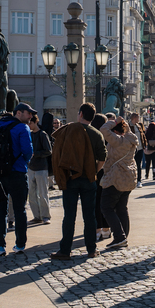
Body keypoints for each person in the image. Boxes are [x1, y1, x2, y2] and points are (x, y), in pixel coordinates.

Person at [50, 103, 107, 260]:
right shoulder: (96, 134)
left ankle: (65, 250)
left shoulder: (68, 130)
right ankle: (91, 249)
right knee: (89, 216)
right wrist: (94, 171)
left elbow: (58, 153)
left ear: (80, 114)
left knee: (69, 216)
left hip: (70, 178)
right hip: (88, 178)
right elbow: (103, 157)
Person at [0, 102, 35, 257]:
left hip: (0, 174)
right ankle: (20, 244)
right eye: (28, 113)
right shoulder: (23, 128)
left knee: (0, 211)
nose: (31, 116)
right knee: (19, 210)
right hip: (17, 173)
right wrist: (23, 162)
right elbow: (28, 151)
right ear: (19, 113)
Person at [99, 116, 138, 250]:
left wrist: (115, 121)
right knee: (122, 208)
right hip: (128, 178)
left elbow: (103, 129)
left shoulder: (117, 141)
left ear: (115, 131)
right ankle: (123, 237)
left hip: (116, 178)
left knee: (106, 207)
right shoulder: (130, 139)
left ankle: (119, 237)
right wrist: (124, 124)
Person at [27, 113, 52, 225]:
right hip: (31, 167)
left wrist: (35, 154)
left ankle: (45, 216)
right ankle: (37, 216)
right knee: (32, 193)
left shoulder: (42, 134)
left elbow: (48, 150)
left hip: (41, 167)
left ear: (35, 122)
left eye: (30, 123)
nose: (29, 125)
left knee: (43, 193)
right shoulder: (29, 134)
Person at [90, 114, 111, 242]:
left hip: (94, 171)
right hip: (107, 172)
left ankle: (97, 230)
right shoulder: (108, 137)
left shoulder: (91, 135)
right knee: (106, 202)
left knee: (96, 202)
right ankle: (106, 229)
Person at [128, 113, 144, 184]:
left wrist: (144, 145)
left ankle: (139, 180)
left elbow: (142, 136)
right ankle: (131, 179)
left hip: (140, 148)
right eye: (138, 118)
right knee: (131, 165)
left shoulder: (138, 126)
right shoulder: (128, 126)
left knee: (138, 165)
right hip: (131, 149)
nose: (139, 119)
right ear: (134, 118)